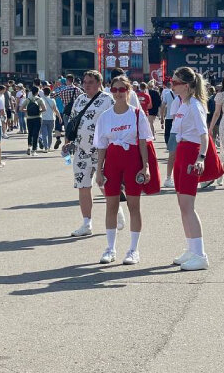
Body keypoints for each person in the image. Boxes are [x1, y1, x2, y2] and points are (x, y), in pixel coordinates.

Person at [93, 76, 156, 265]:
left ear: (129, 91)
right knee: (111, 205)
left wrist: (145, 167)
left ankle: (133, 249)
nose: (118, 93)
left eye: (122, 90)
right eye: (114, 90)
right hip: (112, 160)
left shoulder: (137, 114)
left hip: (132, 160)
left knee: (133, 206)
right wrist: (99, 170)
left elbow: (144, 141)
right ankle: (110, 248)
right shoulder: (105, 116)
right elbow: (102, 145)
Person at [169, 66, 223, 271]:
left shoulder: (194, 105)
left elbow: (204, 135)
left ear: (186, 85)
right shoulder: (182, 103)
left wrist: (200, 158)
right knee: (183, 206)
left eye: (175, 82)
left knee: (188, 206)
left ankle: (200, 254)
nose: (172, 85)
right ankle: (191, 248)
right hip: (183, 151)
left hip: (192, 152)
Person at [65, 70, 114, 237]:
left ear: (99, 83)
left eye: (90, 82)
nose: (86, 85)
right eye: (85, 82)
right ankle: (86, 223)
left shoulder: (108, 100)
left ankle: (117, 212)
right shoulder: (79, 99)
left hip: (101, 151)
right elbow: (72, 122)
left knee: (104, 185)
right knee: (83, 187)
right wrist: (67, 143)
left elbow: (113, 124)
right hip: (81, 150)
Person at [159, 80, 179, 188]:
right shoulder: (168, 94)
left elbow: (163, 106)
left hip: (173, 121)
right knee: (172, 152)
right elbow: (163, 106)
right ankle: (168, 178)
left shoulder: (184, 95)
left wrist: (162, 116)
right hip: (171, 120)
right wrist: (162, 117)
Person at [22, 85, 46, 156]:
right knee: (36, 134)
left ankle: (29, 147)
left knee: (30, 133)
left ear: (31, 92)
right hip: (37, 118)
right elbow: (44, 109)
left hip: (29, 118)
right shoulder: (39, 99)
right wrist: (39, 111)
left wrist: (27, 110)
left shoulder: (28, 99)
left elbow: (21, 109)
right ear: (37, 92)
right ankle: (34, 151)